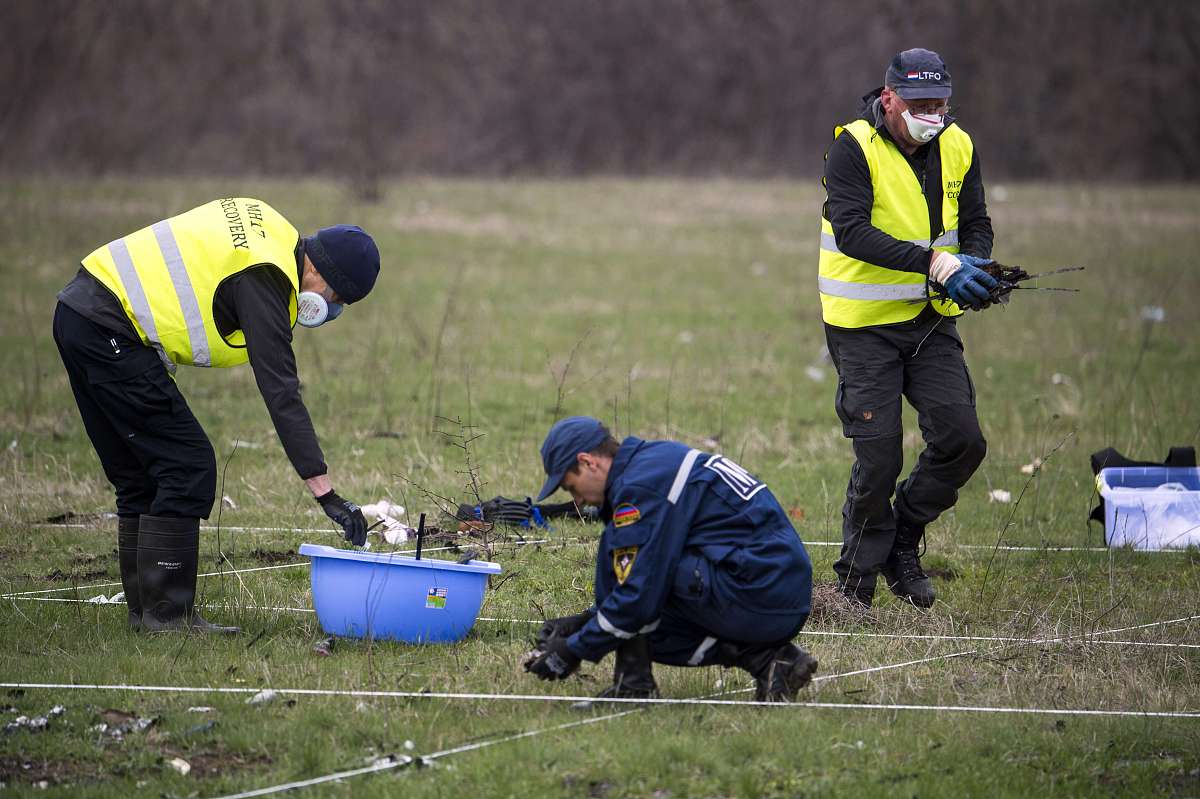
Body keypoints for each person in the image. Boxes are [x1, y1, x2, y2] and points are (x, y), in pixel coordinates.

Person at [53, 197, 379, 633]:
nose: (330, 309)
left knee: (140, 474)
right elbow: (280, 391)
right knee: (187, 463)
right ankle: (169, 616)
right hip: (109, 328)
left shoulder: (269, 228)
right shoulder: (268, 278)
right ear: (318, 271)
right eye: (336, 297)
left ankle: (146, 612)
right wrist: (326, 493)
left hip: (79, 310)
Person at [818, 48, 995, 609]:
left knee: (963, 441)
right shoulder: (852, 146)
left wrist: (978, 265)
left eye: (940, 102)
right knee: (879, 459)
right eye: (920, 103)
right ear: (888, 98)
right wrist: (937, 264)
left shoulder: (959, 144)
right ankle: (853, 585)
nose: (932, 113)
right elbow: (851, 232)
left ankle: (903, 540)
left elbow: (976, 223)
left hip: (929, 322)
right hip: (863, 326)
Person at [523, 416, 817, 702]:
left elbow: (638, 595)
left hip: (764, 590)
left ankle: (635, 686)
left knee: (640, 596)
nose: (577, 500)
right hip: (767, 583)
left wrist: (574, 649)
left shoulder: (641, 488)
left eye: (571, 487)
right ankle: (773, 664)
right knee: (634, 588)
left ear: (588, 462)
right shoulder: (648, 465)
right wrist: (583, 622)